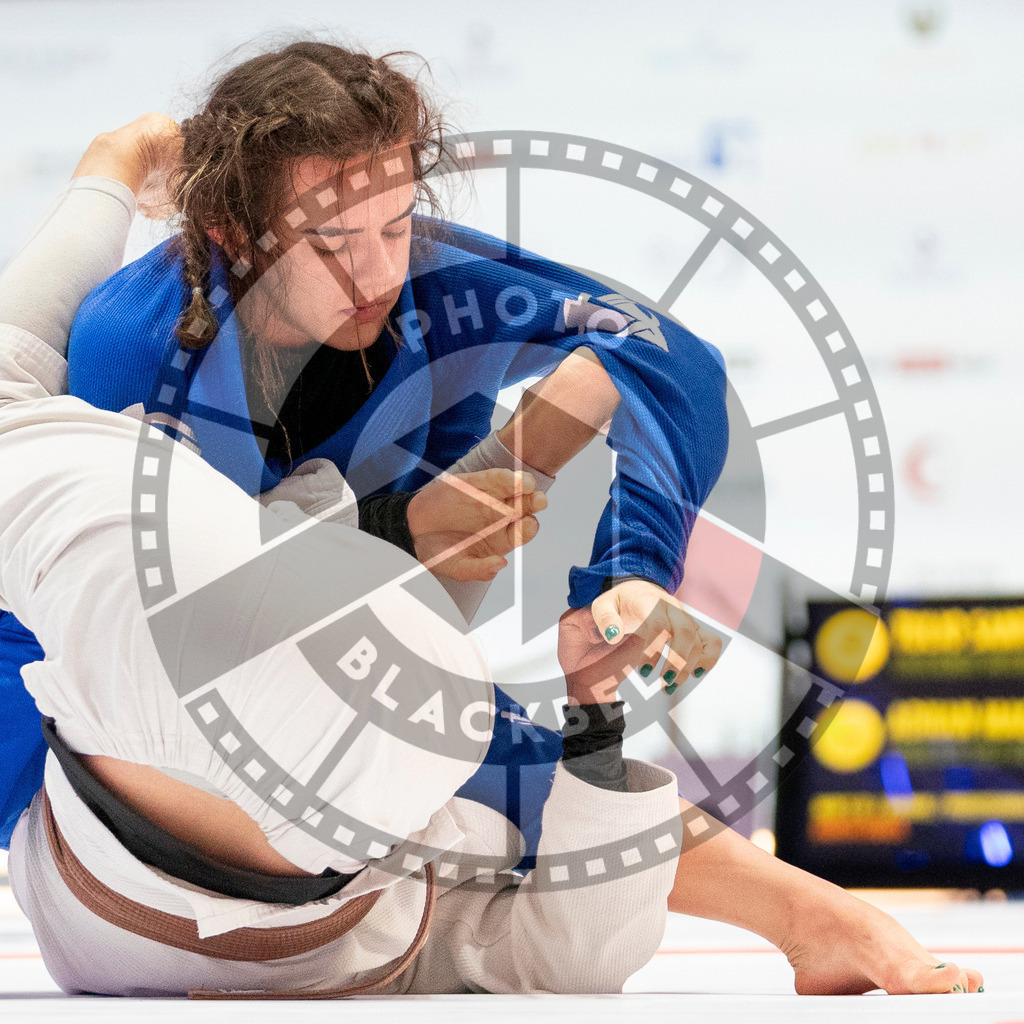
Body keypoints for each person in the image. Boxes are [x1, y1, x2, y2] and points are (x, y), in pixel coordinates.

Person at [1, 44, 984, 996]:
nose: (378, 272)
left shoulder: (422, 282)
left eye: (396, 224)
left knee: (590, 407)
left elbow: (668, 352)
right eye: (333, 243)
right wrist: (399, 525)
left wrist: (627, 572)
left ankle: (812, 916)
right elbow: (223, 636)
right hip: (100, 687)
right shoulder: (140, 338)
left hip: (351, 596)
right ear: (228, 235)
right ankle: (808, 911)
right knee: (457, 751)